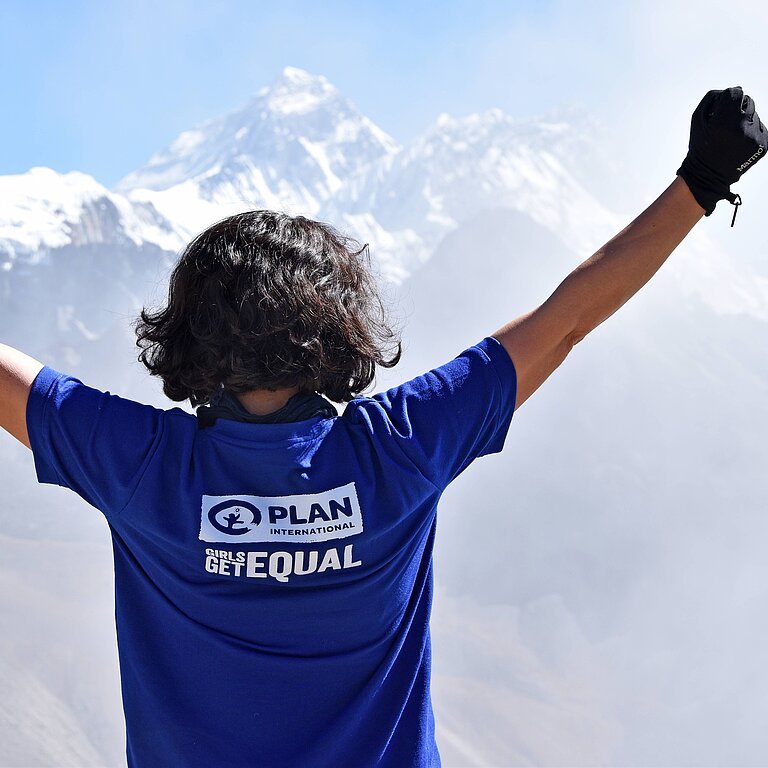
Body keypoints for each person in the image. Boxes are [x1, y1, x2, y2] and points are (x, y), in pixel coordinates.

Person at [1, 86, 765, 768]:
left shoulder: (139, 463)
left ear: (191, 333)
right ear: (333, 327)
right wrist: (699, 184)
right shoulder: (399, 445)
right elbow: (565, 321)